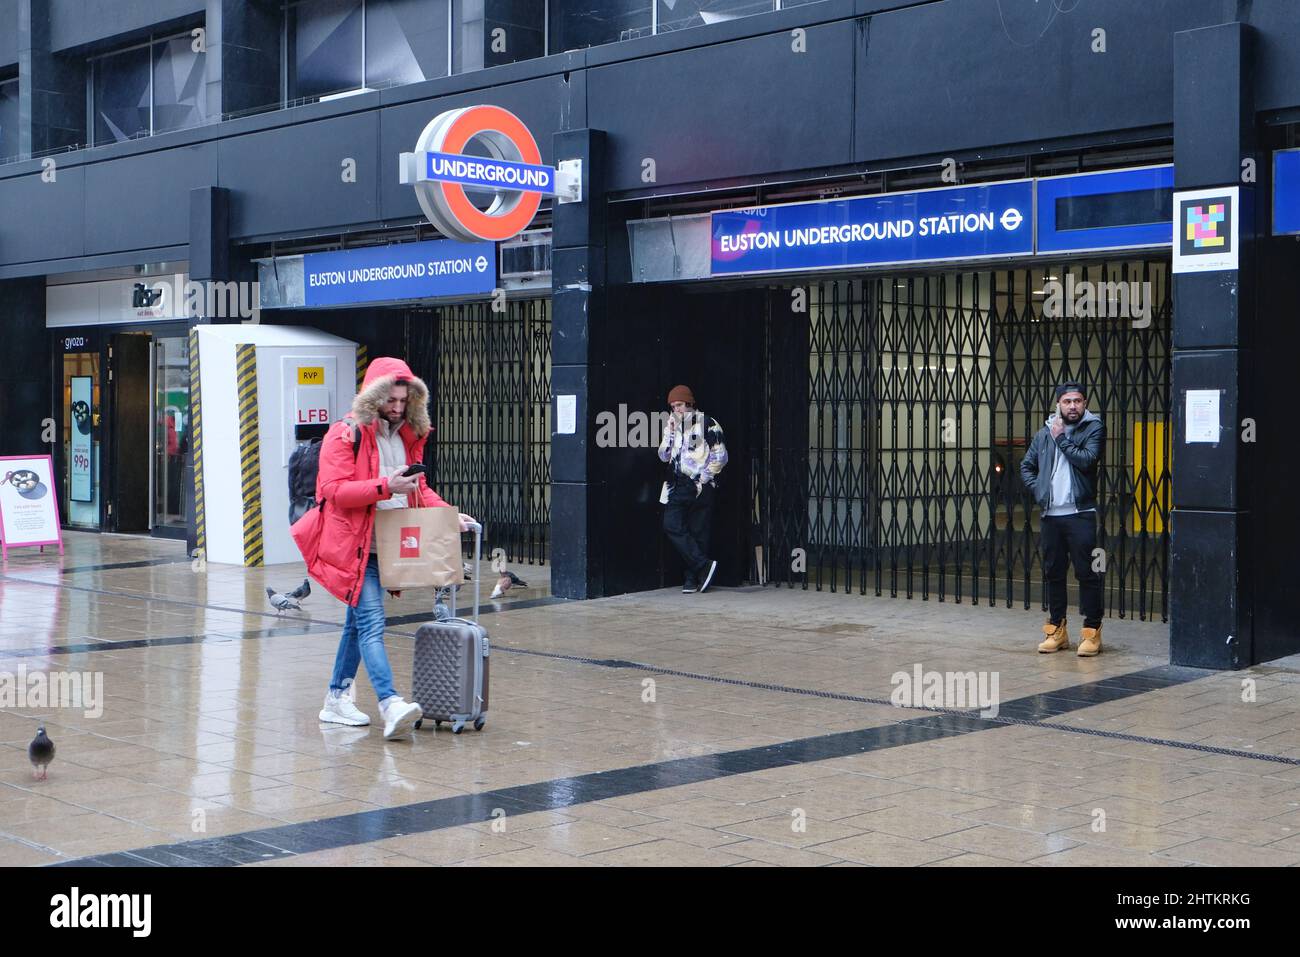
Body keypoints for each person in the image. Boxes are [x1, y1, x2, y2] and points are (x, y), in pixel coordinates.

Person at [298, 357, 475, 739]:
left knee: (356, 626)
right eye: (391, 400)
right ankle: (390, 703)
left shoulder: (406, 436)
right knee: (373, 624)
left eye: (404, 400)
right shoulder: (346, 434)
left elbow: (420, 488)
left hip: (386, 549)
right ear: (375, 396)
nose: (397, 408)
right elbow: (332, 491)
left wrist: (449, 517)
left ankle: (336, 698)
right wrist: (384, 487)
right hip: (355, 548)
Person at [1019, 382, 1105, 656]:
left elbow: (1086, 460)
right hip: (1051, 516)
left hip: (1080, 514)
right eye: (1067, 401)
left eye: (1077, 401)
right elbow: (1027, 466)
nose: (1072, 406)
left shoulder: (1094, 428)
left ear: (1084, 403)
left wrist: (1061, 439)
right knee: (1053, 572)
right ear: (1058, 404)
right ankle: (1057, 628)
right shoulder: (1044, 433)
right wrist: (1039, 490)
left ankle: (1092, 632)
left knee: (1088, 573)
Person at [657, 384, 727, 594]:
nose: (676, 409)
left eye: (679, 405)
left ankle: (692, 578)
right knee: (671, 524)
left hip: (699, 483)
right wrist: (669, 432)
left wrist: (704, 478)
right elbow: (663, 456)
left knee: (698, 530)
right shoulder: (672, 427)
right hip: (677, 483)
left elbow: (720, 455)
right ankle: (702, 565)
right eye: (672, 406)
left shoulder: (707, 423)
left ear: (689, 403)